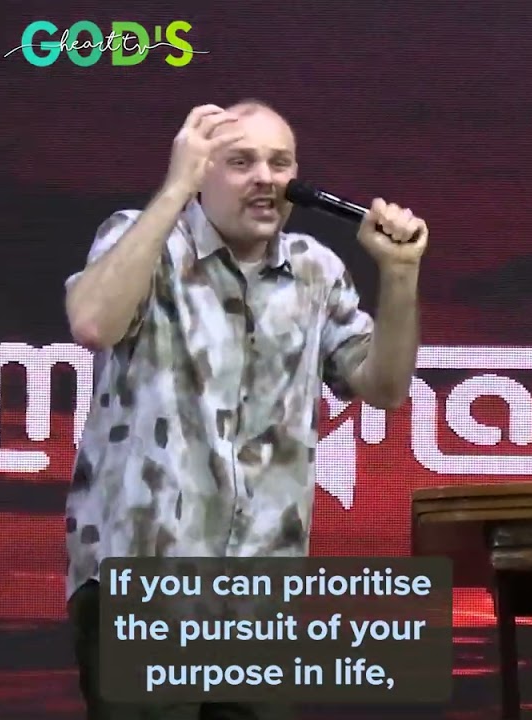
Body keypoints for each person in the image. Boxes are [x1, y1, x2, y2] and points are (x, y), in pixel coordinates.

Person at [62, 100, 428, 720]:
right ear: (200, 171)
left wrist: (399, 275)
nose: (266, 177)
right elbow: (93, 322)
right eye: (240, 162)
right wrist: (174, 190)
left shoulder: (315, 270)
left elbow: (386, 387)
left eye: (280, 163)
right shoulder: (142, 239)